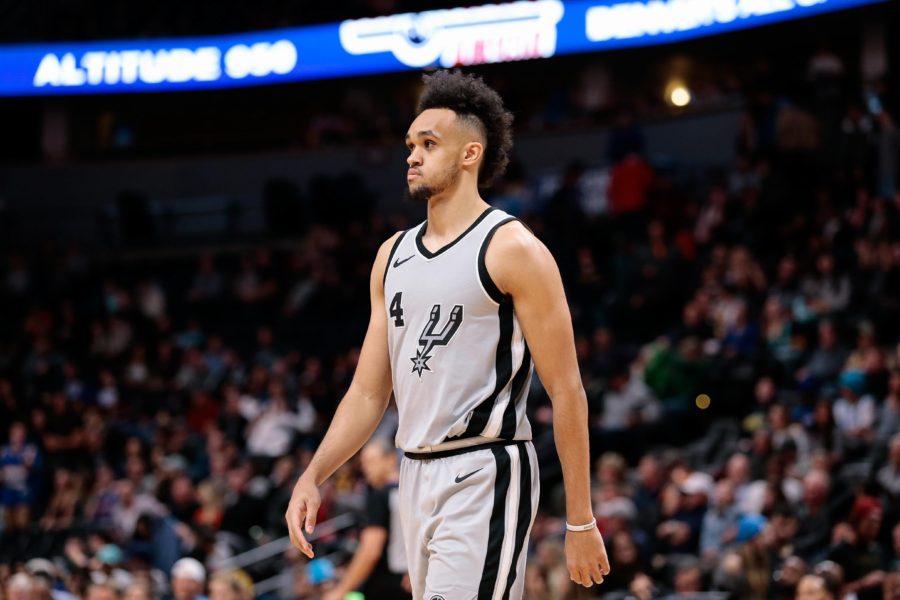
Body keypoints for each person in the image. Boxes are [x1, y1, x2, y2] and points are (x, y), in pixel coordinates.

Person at [285, 70, 610, 599]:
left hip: (485, 468)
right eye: (410, 145)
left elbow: (568, 390)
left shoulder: (511, 248)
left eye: (428, 144)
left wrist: (580, 520)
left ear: (469, 154)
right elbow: (369, 392)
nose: (411, 156)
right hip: (412, 475)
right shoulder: (391, 256)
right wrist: (313, 474)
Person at [323, 437, 409, 600]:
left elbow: (371, 550)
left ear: (390, 460)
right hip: (411, 582)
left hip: (386, 585)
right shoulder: (412, 490)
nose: (366, 468)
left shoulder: (379, 495)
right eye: (363, 463)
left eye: (371, 461)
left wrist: (340, 591)